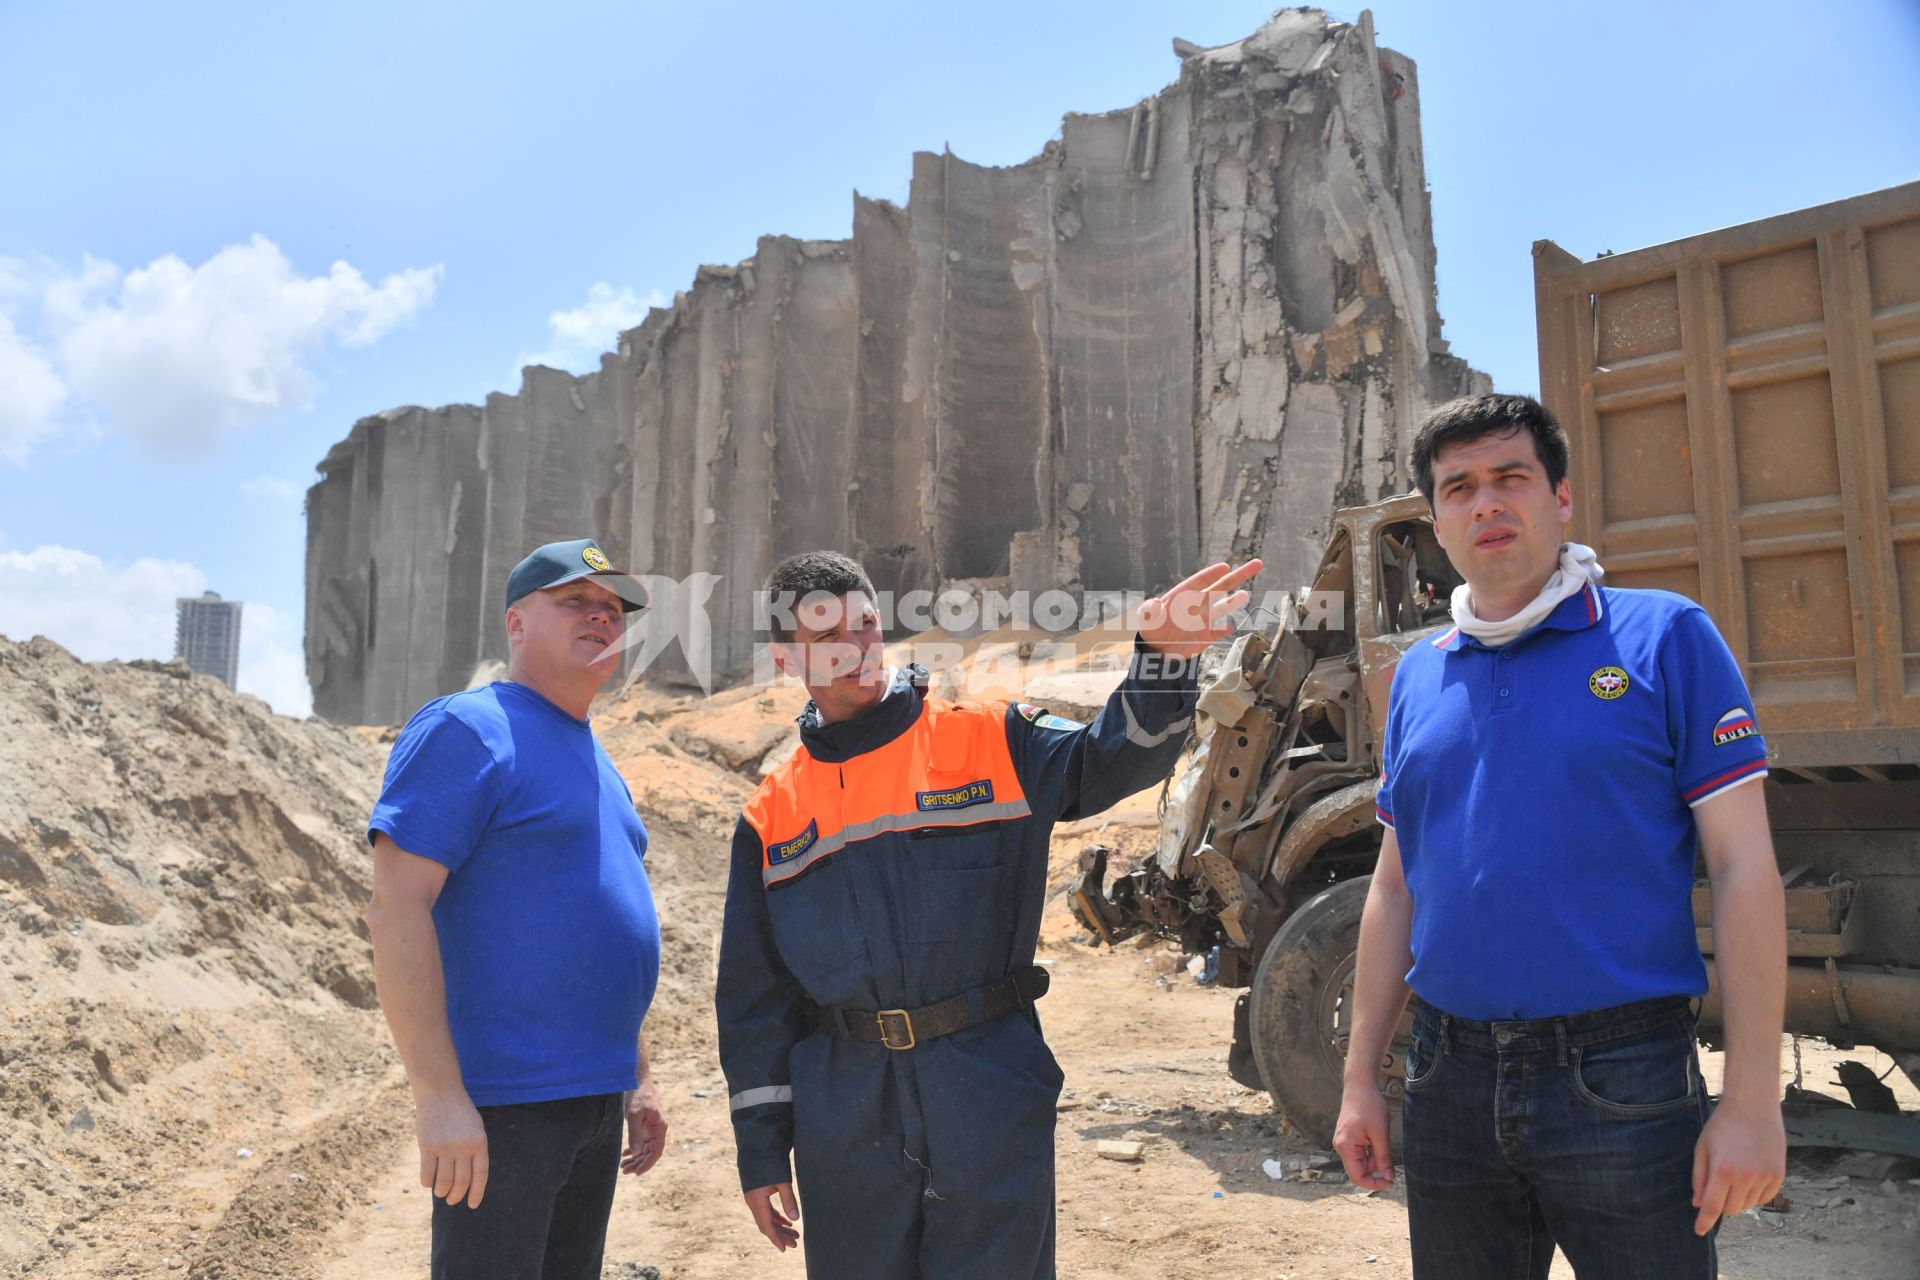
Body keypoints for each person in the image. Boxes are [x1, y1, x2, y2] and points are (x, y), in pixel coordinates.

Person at [1332, 395, 1787, 1278]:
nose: (1486, 505)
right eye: (1458, 488)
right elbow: (1395, 887)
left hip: (1620, 1080)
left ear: (1562, 498)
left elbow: (1742, 867)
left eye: (1511, 478)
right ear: (1436, 520)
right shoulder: (1420, 676)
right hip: (1447, 1077)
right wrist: (1359, 1081)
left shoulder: (1665, 637)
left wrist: (1753, 1101)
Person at [717, 550, 1260, 1278]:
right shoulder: (770, 816)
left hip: (986, 1093)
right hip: (847, 1116)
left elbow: (1113, 759)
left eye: (866, 624)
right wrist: (760, 1148)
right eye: (827, 637)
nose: (856, 647)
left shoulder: (990, 740)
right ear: (787, 659)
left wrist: (1161, 660)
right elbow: (754, 999)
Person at [366, 538, 668, 1280]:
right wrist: (437, 1095)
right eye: (575, 603)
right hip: (504, 1106)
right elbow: (397, 906)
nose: (601, 618)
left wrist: (639, 1076)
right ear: (517, 623)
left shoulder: (600, 759)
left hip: (594, 1099)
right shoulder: (468, 729)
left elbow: (601, 927)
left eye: (612, 610)